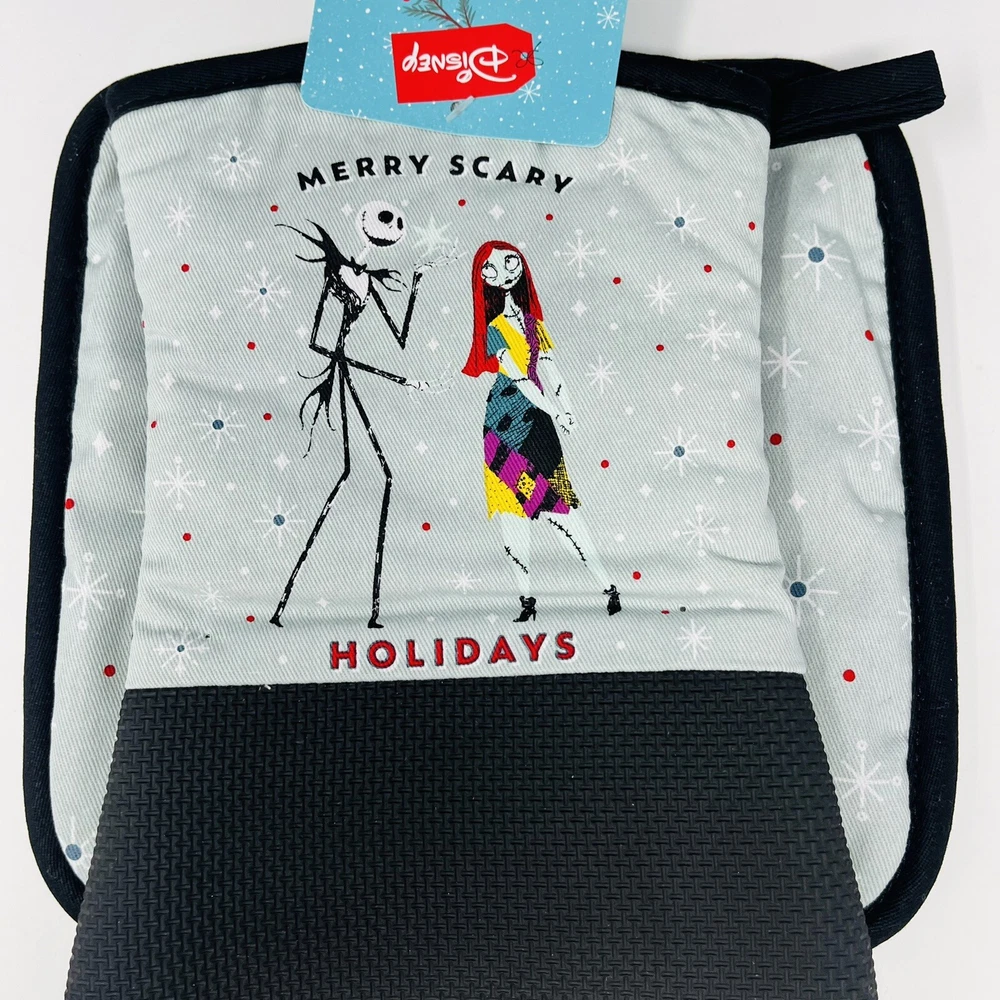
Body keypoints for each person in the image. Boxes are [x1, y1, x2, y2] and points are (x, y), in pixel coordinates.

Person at [462, 240, 621, 621]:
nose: (503, 272)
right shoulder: (495, 330)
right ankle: (526, 600)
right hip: (504, 429)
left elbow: (550, 370)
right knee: (513, 515)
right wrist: (557, 411)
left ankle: (607, 586)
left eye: (510, 263)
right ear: (483, 279)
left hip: (539, 424)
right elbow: (519, 379)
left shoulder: (534, 325)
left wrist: (568, 409)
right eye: (491, 268)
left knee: (562, 508)